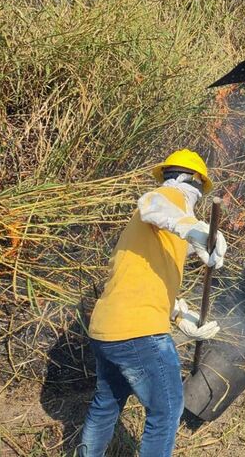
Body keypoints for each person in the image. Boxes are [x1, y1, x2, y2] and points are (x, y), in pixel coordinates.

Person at [79, 149, 227, 457]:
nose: (197, 198)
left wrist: (179, 317)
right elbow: (153, 204)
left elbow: (143, 283)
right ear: (192, 182)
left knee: (106, 403)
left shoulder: (161, 234)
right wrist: (196, 229)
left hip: (107, 331)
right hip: (137, 332)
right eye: (198, 190)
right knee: (168, 410)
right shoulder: (166, 199)